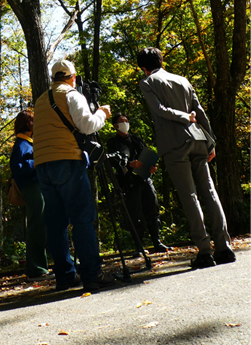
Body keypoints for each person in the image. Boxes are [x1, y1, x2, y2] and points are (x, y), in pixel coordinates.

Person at [137, 47, 235, 269]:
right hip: (198, 140)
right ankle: (224, 247)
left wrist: (184, 118)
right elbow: (199, 111)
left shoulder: (148, 83)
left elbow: (159, 110)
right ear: (161, 61)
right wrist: (210, 142)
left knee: (189, 194)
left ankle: (205, 251)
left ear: (143, 68)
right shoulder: (182, 79)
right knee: (209, 191)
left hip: (174, 144)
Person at [33, 59, 115, 293]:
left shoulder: (40, 100)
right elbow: (88, 125)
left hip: (43, 164)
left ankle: (65, 276)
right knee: (82, 217)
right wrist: (101, 113)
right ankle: (92, 274)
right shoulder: (71, 95)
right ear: (73, 77)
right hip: (67, 160)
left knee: (56, 222)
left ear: (53, 78)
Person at [106, 112, 171, 256]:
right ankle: (138, 246)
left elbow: (146, 154)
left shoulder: (136, 139)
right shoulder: (113, 143)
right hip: (129, 182)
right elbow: (112, 162)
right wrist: (129, 164)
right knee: (134, 214)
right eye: (122, 121)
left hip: (144, 178)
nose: (125, 123)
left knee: (153, 209)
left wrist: (151, 167)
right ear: (115, 125)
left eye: (126, 120)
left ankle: (157, 242)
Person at [10, 109, 49, 281]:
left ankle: (46, 263)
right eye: (33, 121)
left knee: (45, 224)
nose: (36, 124)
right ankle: (36, 268)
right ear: (27, 124)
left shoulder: (29, 143)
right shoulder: (21, 144)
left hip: (38, 186)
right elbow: (18, 169)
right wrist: (37, 160)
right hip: (31, 188)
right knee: (36, 225)